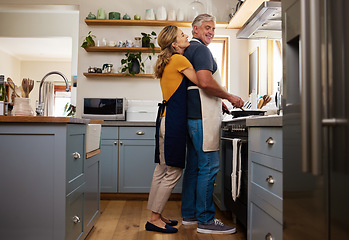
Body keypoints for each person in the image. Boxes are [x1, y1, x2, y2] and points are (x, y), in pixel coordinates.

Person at [181, 13, 244, 234]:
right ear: (195, 29)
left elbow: (198, 86)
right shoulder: (201, 50)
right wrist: (229, 96)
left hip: (192, 117)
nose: (211, 32)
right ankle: (206, 220)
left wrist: (220, 101)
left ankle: (189, 215)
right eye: (207, 27)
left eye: (214, 29)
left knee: (194, 168)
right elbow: (206, 83)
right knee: (208, 168)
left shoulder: (189, 50)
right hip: (202, 118)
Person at [145, 25, 199, 234]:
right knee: (174, 170)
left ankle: (156, 214)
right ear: (175, 44)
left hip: (165, 120)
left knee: (161, 170)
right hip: (173, 122)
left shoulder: (169, 61)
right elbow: (201, 80)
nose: (187, 36)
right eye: (182, 35)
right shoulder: (179, 59)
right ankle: (154, 218)